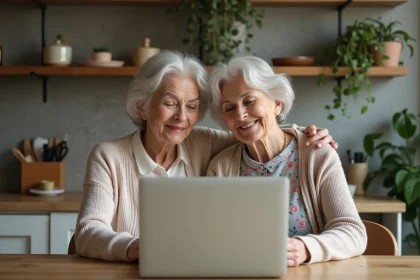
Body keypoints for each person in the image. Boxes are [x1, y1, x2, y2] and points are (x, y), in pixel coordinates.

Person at [75, 51, 338, 262]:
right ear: (143, 106)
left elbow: (255, 132)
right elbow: (87, 234)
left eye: (191, 106)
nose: (181, 116)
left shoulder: (204, 141)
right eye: (169, 103)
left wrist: (305, 134)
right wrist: (136, 247)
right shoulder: (108, 156)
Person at [206, 56, 367, 267]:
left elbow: (353, 233)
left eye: (249, 101)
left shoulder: (317, 153)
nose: (241, 114)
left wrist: (306, 248)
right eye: (229, 108)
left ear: (277, 104)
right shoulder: (220, 167)